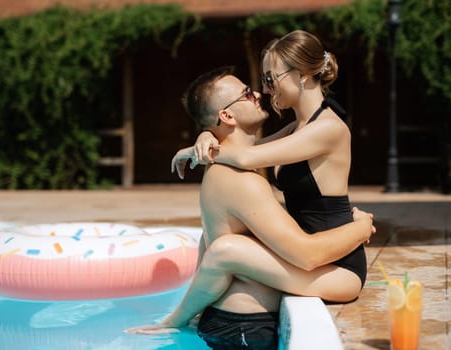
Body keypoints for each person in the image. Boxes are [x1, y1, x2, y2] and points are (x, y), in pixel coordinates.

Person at [125, 66, 375, 349]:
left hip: (230, 322)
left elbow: (207, 243)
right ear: (227, 115)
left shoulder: (229, 168)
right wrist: (360, 228)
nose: (258, 93)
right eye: (247, 93)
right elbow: (306, 255)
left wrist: (205, 138)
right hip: (245, 329)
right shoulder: (242, 182)